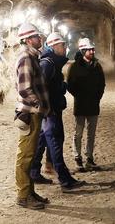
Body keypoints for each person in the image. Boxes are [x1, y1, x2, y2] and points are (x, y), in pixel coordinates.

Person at [30, 33, 86, 190]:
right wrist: (60, 90)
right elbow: (41, 87)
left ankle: (34, 172)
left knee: (42, 140)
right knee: (55, 141)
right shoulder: (48, 64)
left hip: (50, 109)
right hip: (51, 110)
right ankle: (65, 179)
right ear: (54, 47)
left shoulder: (52, 63)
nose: (65, 48)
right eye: (62, 45)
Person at [13, 23, 50, 210]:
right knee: (25, 156)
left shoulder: (32, 56)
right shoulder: (26, 57)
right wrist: (39, 103)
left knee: (30, 153)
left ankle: (30, 192)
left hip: (33, 112)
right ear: (28, 40)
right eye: (36, 36)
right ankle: (23, 196)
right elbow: (25, 88)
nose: (40, 38)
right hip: (29, 113)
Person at [67, 37, 106, 172]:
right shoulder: (75, 67)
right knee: (78, 133)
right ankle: (77, 158)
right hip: (81, 104)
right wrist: (79, 95)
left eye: (92, 49)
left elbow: (102, 84)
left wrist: (97, 97)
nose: (92, 51)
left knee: (91, 133)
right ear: (83, 51)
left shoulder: (97, 66)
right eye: (89, 50)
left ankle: (89, 158)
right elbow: (70, 85)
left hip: (94, 104)